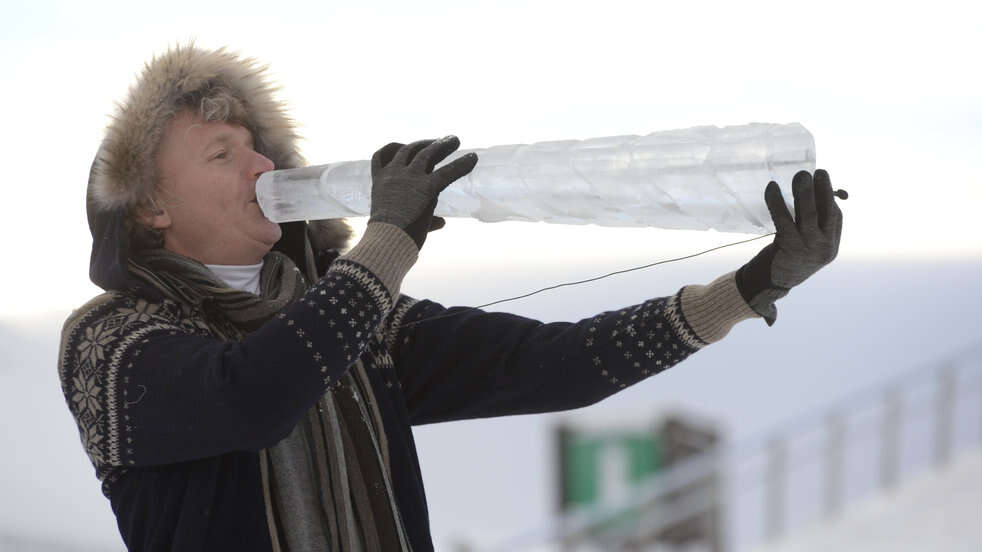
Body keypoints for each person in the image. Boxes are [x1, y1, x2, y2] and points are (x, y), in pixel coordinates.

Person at [58, 44, 842, 552]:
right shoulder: (110, 342)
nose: (261, 167)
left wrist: (749, 288)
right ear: (151, 207)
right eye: (222, 155)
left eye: (258, 149)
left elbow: (554, 364)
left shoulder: (353, 318)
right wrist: (387, 242)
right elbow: (253, 396)